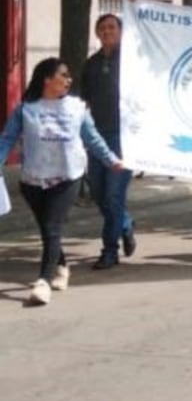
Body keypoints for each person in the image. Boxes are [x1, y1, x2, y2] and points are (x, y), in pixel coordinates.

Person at [0, 58, 123, 305]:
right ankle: (62, 267)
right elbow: (7, 139)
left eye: (69, 76)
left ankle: (43, 283)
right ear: (47, 79)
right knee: (49, 230)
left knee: (52, 228)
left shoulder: (77, 108)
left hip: (67, 177)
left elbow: (92, 138)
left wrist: (111, 160)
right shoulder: (26, 109)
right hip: (33, 180)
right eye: (63, 75)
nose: (69, 80)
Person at [80, 13, 136, 270]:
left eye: (112, 27)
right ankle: (125, 223)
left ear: (121, 31)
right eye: (102, 28)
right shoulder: (91, 64)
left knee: (113, 195)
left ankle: (110, 251)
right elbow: (84, 101)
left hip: (124, 137)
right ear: (97, 33)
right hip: (97, 137)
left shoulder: (132, 61)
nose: (107, 31)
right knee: (99, 193)